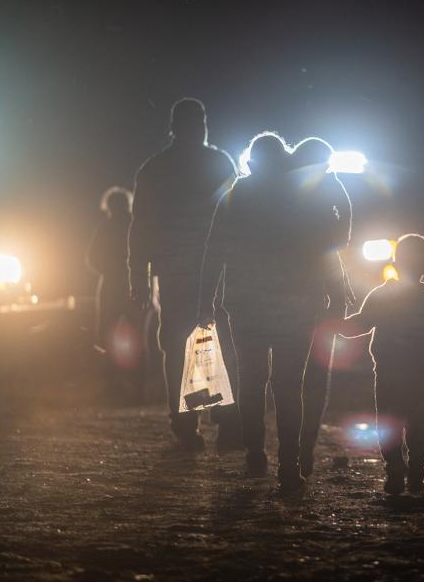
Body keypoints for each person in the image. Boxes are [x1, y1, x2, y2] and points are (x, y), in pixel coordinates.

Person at [198, 132, 344, 491]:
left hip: (246, 303)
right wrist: (336, 294)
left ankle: (254, 454)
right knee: (289, 386)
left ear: (251, 161)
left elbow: (213, 250)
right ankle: (290, 463)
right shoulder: (304, 195)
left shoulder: (237, 194)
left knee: (251, 380)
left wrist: (206, 299)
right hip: (299, 302)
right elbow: (327, 248)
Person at [128, 98, 241, 452]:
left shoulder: (154, 168)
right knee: (219, 344)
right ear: (201, 125)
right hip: (216, 271)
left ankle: (185, 425)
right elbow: (237, 215)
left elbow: (140, 227)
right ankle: (224, 420)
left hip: (174, 270)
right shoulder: (219, 163)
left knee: (176, 346)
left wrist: (139, 277)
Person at [340, 234, 424, 494]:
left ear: (394, 263)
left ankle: (394, 469)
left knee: (387, 422)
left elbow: (361, 323)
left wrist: (337, 324)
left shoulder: (382, 295)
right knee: (418, 422)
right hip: (420, 374)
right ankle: (416, 474)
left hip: (388, 372)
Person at [287, 138, 355, 478]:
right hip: (315, 297)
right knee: (315, 378)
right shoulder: (330, 188)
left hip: (280, 295)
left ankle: (278, 451)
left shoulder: (280, 188)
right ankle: (304, 449)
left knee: (283, 380)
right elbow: (342, 238)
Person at [86, 186, 144, 400]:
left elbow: (91, 258)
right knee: (136, 336)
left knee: (107, 335)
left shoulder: (106, 228)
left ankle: (113, 387)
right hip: (133, 286)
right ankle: (136, 386)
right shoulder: (135, 226)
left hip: (112, 285)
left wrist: (108, 271)